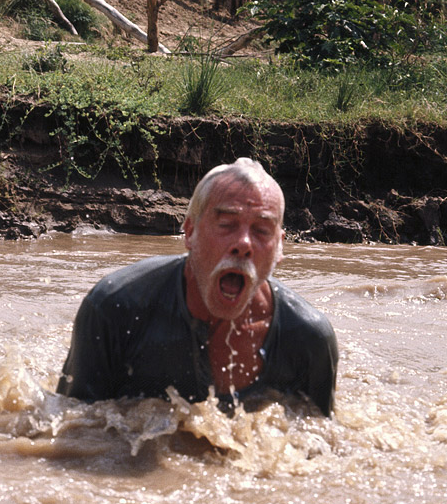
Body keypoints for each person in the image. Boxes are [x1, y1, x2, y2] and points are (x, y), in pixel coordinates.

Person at [56, 157, 338, 417]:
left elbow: (319, 444)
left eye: (262, 231)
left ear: (278, 248)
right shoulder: (115, 309)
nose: (244, 244)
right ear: (190, 232)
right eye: (227, 224)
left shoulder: (308, 338)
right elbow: (74, 431)